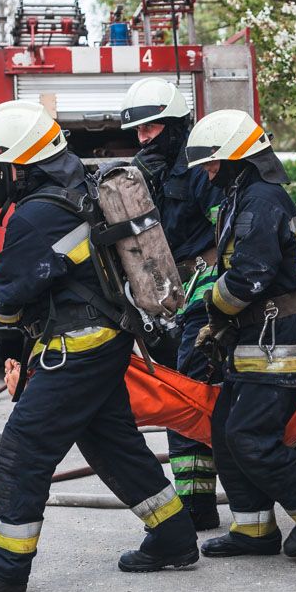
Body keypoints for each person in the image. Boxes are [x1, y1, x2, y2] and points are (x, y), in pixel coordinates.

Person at [0, 100, 197, 592]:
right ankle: (173, 536)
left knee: (23, 450)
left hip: (73, 351)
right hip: (104, 344)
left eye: (0, 166)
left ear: (23, 164)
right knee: (113, 446)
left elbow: (3, 300)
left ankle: (4, 568)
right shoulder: (77, 188)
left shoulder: (38, 214)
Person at [185, 108, 296, 559]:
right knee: (225, 431)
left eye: (214, 162)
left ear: (239, 158)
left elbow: (248, 278)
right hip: (258, 334)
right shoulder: (245, 195)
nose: (208, 171)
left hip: (278, 336)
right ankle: (254, 530)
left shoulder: (260, 202)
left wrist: (210, 310)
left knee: (250, 437)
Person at [119, 78, 222, 530]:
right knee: (180, 391)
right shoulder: (143, 175)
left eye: (153, 129)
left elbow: (233, 233)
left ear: (176, 125)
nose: (144, 139)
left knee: (188, 393)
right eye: (138, 132)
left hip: (207, 290)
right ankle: (197, 501)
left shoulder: (200, 170)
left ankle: (199, 506)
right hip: (168, 295)